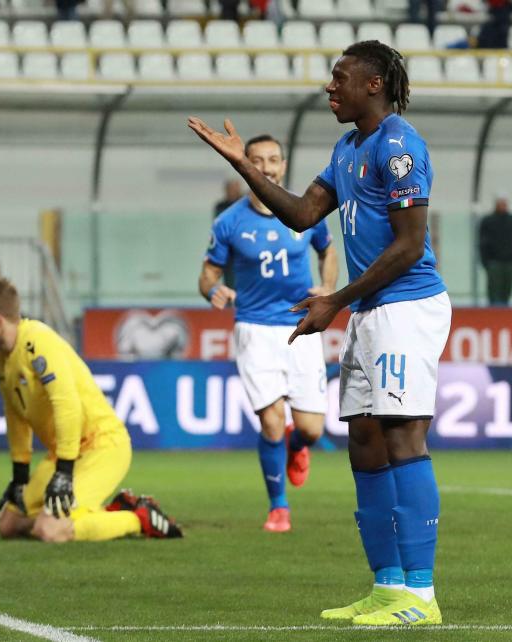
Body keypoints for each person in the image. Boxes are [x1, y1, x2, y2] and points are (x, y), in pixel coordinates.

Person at [189, 40, 451, 627]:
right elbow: (303, 215)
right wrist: (244, 166)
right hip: (370, 311)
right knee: (363, 440)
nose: (330, 88)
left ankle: (422, 595)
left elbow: (410, 247)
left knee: (404, 438)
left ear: (373, 84)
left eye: (340, 78)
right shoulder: (347, 146)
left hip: (406, 308)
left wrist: (335, 299)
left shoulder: (401, 144)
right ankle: (387, 585)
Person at [0, 278, 183, 543]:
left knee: (50, 530)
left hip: (102, 447)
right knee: (9, 525)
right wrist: (19, 477)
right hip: (65, 454)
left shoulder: (38, 341)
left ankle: (137, 518)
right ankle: (95, 513)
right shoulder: (0, 355)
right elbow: (15, 415)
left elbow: (67, 405)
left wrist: (64, 472)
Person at [198, 134, 338, 534]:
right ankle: (279, 508)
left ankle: (298, 448)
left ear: (284, 164)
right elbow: (207, 272)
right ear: (246, 168)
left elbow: (328, 251)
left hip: (301, 326)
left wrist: (328, 287)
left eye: (273, 160)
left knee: (310, 429)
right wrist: (213, 289)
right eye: (257, 160)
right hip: (255, 329)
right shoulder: (229, 223)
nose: (266, 167)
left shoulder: (306, 211)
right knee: (272, 423)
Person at [478, 194, 512, 306]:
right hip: (494, 262)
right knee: (494, 292)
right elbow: (482, 243)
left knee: (507, 291)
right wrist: (486, 262)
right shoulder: (488, 221)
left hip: (510, 262)